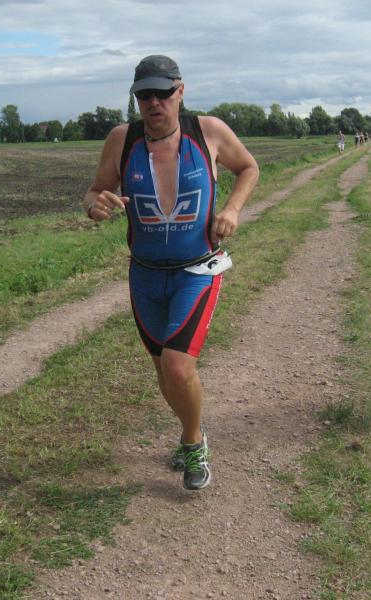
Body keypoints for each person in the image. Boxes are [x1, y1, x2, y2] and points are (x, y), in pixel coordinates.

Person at [84, 55, 259, 489]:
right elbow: (94, 192)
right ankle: (190, 431)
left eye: (162, 93)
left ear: (181, 91)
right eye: (144, 95)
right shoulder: (122, 140)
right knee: (164, 370)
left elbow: (248, 168)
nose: (154, 103)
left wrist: (233, 210)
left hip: (196, 270)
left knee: (179, 368)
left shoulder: (208, 132)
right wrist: (95, 205)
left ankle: (193, 442)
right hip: (144, 275)